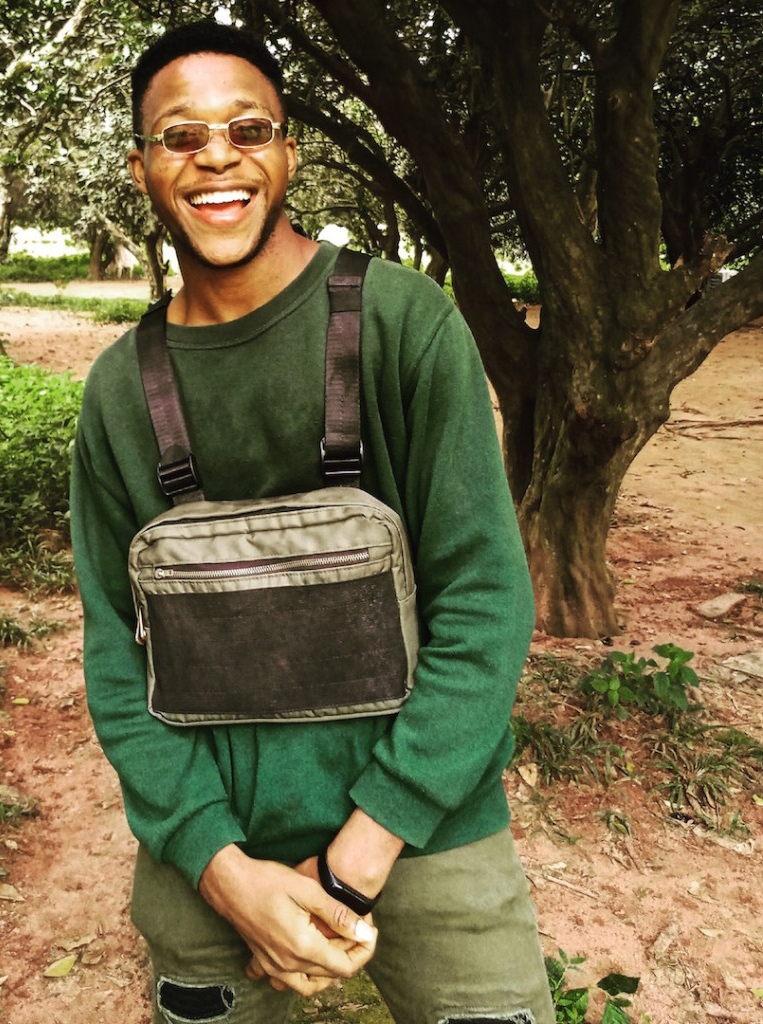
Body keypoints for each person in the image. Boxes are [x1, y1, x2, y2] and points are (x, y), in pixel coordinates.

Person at [70, 19, 555, 1024]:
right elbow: (116, 656)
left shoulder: (404, 323)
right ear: (141, 166)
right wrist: (215, 864)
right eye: (180, 135)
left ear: (289, 152)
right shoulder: (119, 391)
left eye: (248, 130)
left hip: (426, 823)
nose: (216, 157)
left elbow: (484, 599)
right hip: (218, 848)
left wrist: (361, 854)